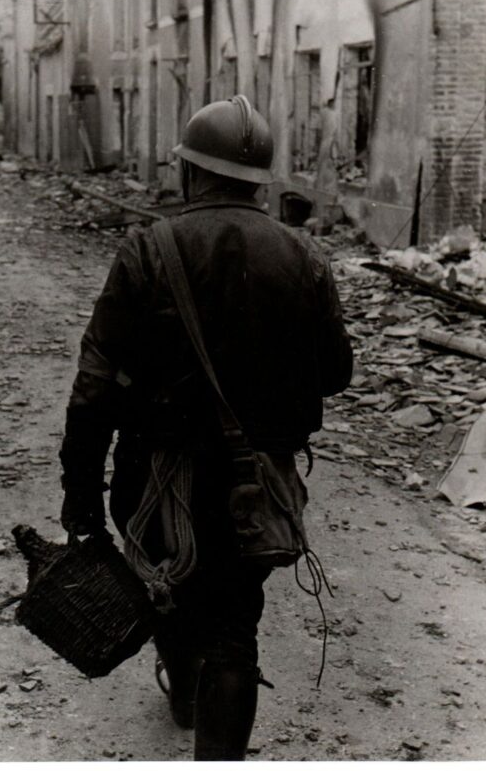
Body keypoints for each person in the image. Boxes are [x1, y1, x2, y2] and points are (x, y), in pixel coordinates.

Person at [59, 95, 353, 760]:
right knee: (233, 628)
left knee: (168, 585)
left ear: (190, 173)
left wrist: (80, 501)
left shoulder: (145, 251)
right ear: (260, 182)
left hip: (151, 480)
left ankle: (183, 683)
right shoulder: (304, 258)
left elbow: (92, 390)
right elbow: (336, 372)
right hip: (254, 491)